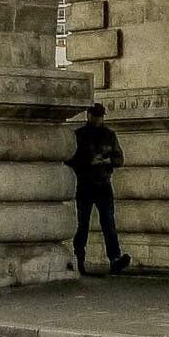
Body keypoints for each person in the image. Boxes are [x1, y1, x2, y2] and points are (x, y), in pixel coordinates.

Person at [66, 103, 129, 277]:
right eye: (96, 115)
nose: (98, 119)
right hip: (85, 183)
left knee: (108, 223)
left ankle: (115, 258)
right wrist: (88, 162)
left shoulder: (109, 135)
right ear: (89, 115)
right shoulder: (79, 136)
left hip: (103, 183)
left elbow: (119, 158)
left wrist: (106, 161)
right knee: (82, 224)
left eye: (100, 116)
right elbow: (70, 160)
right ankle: (80, 258)